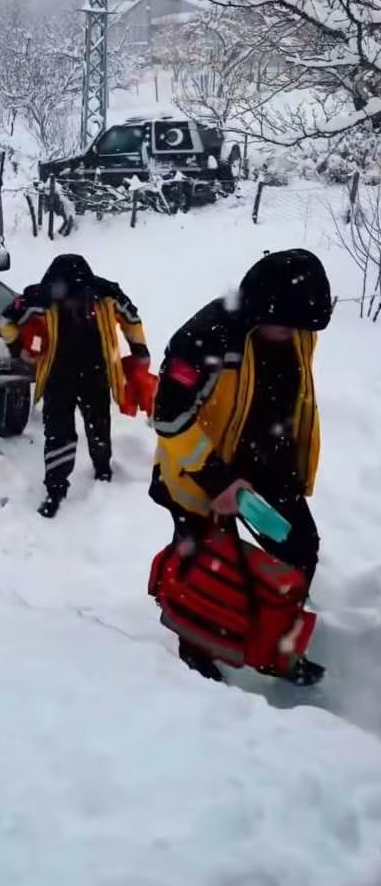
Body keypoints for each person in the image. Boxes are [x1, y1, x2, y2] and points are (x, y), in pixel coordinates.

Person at [149, 248, 333, 684]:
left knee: (300, 549)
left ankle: (278, 647)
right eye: (286, 325)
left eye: (302, 327)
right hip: (200, 473)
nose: (295, 334)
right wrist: (218, 479)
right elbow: (168, 416)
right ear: (260, 307)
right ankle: (196, 652)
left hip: (268, 467)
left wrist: (287, 465)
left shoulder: (296, 332)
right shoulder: (206, 337)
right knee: (203, 568)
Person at [0, 254, 150, 518]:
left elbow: (131, 318)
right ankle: (56, 489)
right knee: (59, 433)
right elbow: (5, 320)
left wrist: (139, 350)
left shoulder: (106, 295)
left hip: (97, 373)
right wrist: (18, 350)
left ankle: (103, 470)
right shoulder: (39, 298)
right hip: (58, 376)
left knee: (99, 425)